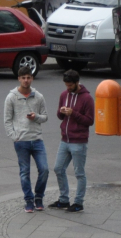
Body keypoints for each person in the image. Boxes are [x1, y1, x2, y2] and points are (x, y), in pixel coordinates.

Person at [4, 66, 49, 213]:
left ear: (32, 78)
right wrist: (14, 137)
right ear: (19, 79)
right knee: (24, 172)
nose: (26, 80)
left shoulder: (39, 97)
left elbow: (45, 117)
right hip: (21, 141)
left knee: (44, 169)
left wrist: (35, 116)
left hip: (37, 139)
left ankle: (39, 197)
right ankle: (28, 200)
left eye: (28, 77)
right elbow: (7, 120)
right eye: (23, 78)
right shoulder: (11, 97)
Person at [50, 70, 94, 213]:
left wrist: (73, 113)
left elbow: (89, 121)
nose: (68, 88)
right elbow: (59, 116)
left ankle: (78, 202)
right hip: (65, 139)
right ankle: (64, 199)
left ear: (77, 83)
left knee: (79, 173)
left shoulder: (87, 98)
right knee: (58, 168)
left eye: (70, 85)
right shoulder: (64, 95)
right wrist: (61, 111)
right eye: (66, 85)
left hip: (79, 141)